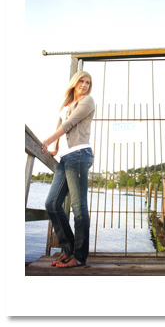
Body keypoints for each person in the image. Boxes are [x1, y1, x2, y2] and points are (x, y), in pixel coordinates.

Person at [42, 71, 95, 268]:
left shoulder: (87, 101)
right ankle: (68, 249)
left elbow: (69, 124)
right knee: (52, 204)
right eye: (81, 81)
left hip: (79, 154)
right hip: (65, 158)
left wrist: (46, 140)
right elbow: (62, 127)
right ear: (74, 83)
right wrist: (55, 147)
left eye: (87, 82)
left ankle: (79, 257)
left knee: (78, 207)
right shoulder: (65, 105)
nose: (84, 85)